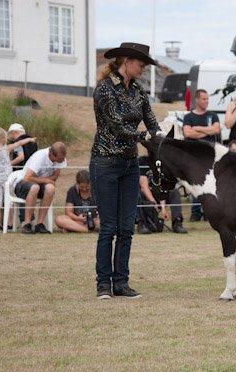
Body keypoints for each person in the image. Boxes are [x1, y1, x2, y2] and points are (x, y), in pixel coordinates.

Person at [90, 42, 160, 300]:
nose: (143, 69)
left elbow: (152, 122)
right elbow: (117, 127)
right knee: (109, 227)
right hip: (105, 162)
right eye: (141, 64)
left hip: (130, 165)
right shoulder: (105, 90)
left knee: (127, 227)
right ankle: (103, 285)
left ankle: (121, 282)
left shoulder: (139, 92)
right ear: (127, 61)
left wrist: (162, 137)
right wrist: (145, 136)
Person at [0, 127, 35, 231]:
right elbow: (20, 142)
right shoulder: (7, 148)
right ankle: (9, 223)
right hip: (7, 179)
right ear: (4, 139)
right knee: (9, 200)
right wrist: (30, 139)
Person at [183, 88, 221, 221]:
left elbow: (216, 129)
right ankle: (195, 212)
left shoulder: (212, 116)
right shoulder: (188, 117)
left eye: (207, 99)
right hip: (194, 157)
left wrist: (198, 129)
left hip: (210, 156)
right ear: (197, 99)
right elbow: (187, 133)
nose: (206, 101)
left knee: (211, 184)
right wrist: (208, 132)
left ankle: (209, 212)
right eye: (204, 99)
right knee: (196, 184)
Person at [13, 142, 67, 234]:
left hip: (38, 185)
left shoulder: (61, 159)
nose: (62, 161)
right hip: (22, 184)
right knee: (35, 187)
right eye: (60, 159)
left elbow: (54, 178)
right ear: (52, 154)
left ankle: (40, 224)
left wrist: (44, 181)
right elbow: (27, 178)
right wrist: (45, 180)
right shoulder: (40, 157)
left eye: (63, 158)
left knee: (50, 188)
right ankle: (27, 225)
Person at [137, 155, 187, 234]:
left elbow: (164, 185)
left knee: (174, 191)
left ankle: (177, 223)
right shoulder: (142, 161)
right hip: (146, 194)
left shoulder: (162, 162)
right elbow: (144, 186)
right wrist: (153, 202)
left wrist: (163, 208)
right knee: (137, 194)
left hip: (160, 193)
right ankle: (141, 224)